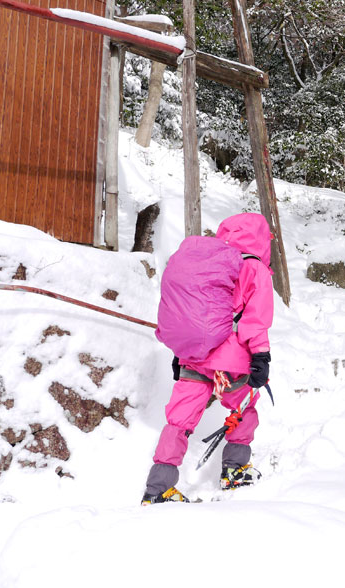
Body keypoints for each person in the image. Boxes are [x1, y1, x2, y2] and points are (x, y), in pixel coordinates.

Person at [141, 212, 274, 505]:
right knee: (244, 409)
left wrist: (179, 352)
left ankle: (158, 488)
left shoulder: (208, 263)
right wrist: (261, 356)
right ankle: (235, 470)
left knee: (178, 420)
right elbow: (255, 321)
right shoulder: (254, 268)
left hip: (194, 355)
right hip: (232, 362)